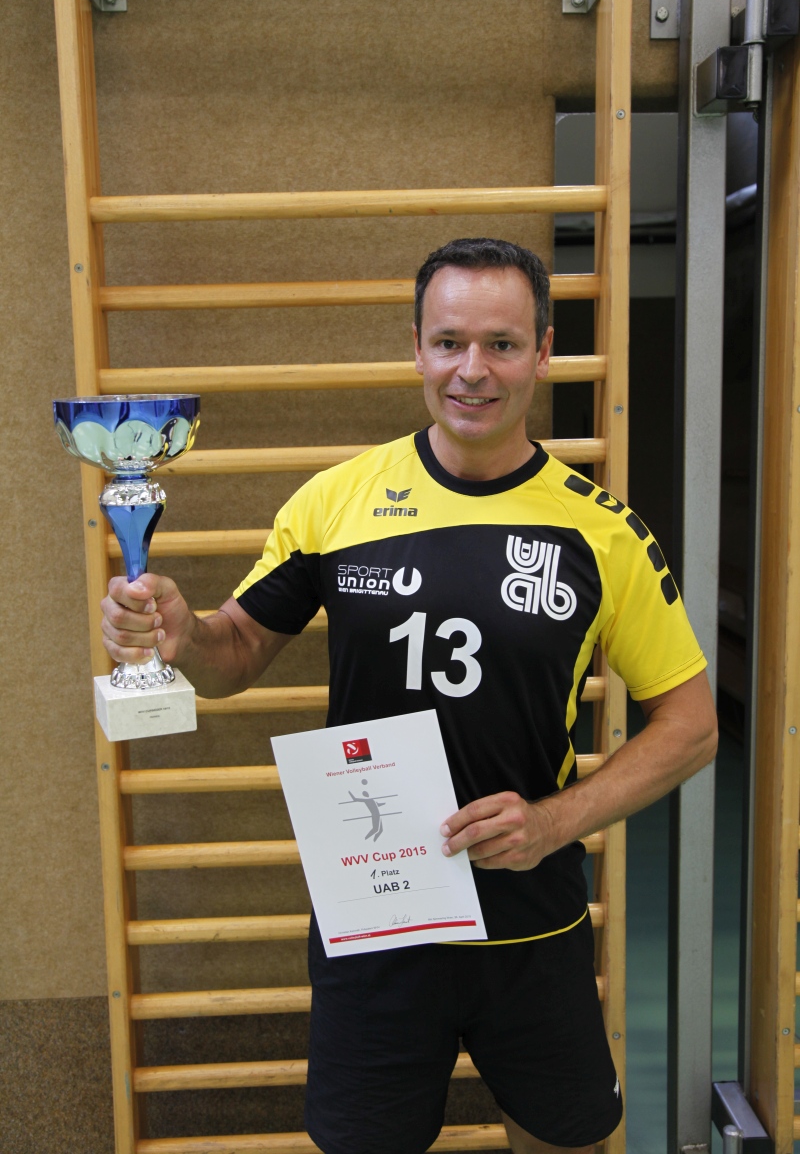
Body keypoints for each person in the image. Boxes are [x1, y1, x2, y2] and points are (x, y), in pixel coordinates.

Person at [101, 237, 717, 1154]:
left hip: (529, 923)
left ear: (544, 352)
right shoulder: (336, 503)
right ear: (417, 349)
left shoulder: (602, 532)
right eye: (450, 341)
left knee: (567, 1142)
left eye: (502, 344)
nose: (474, 370)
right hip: (376, 923)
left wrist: (554, 821)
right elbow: (234, 659)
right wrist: (184, 635)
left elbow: (693, 726)